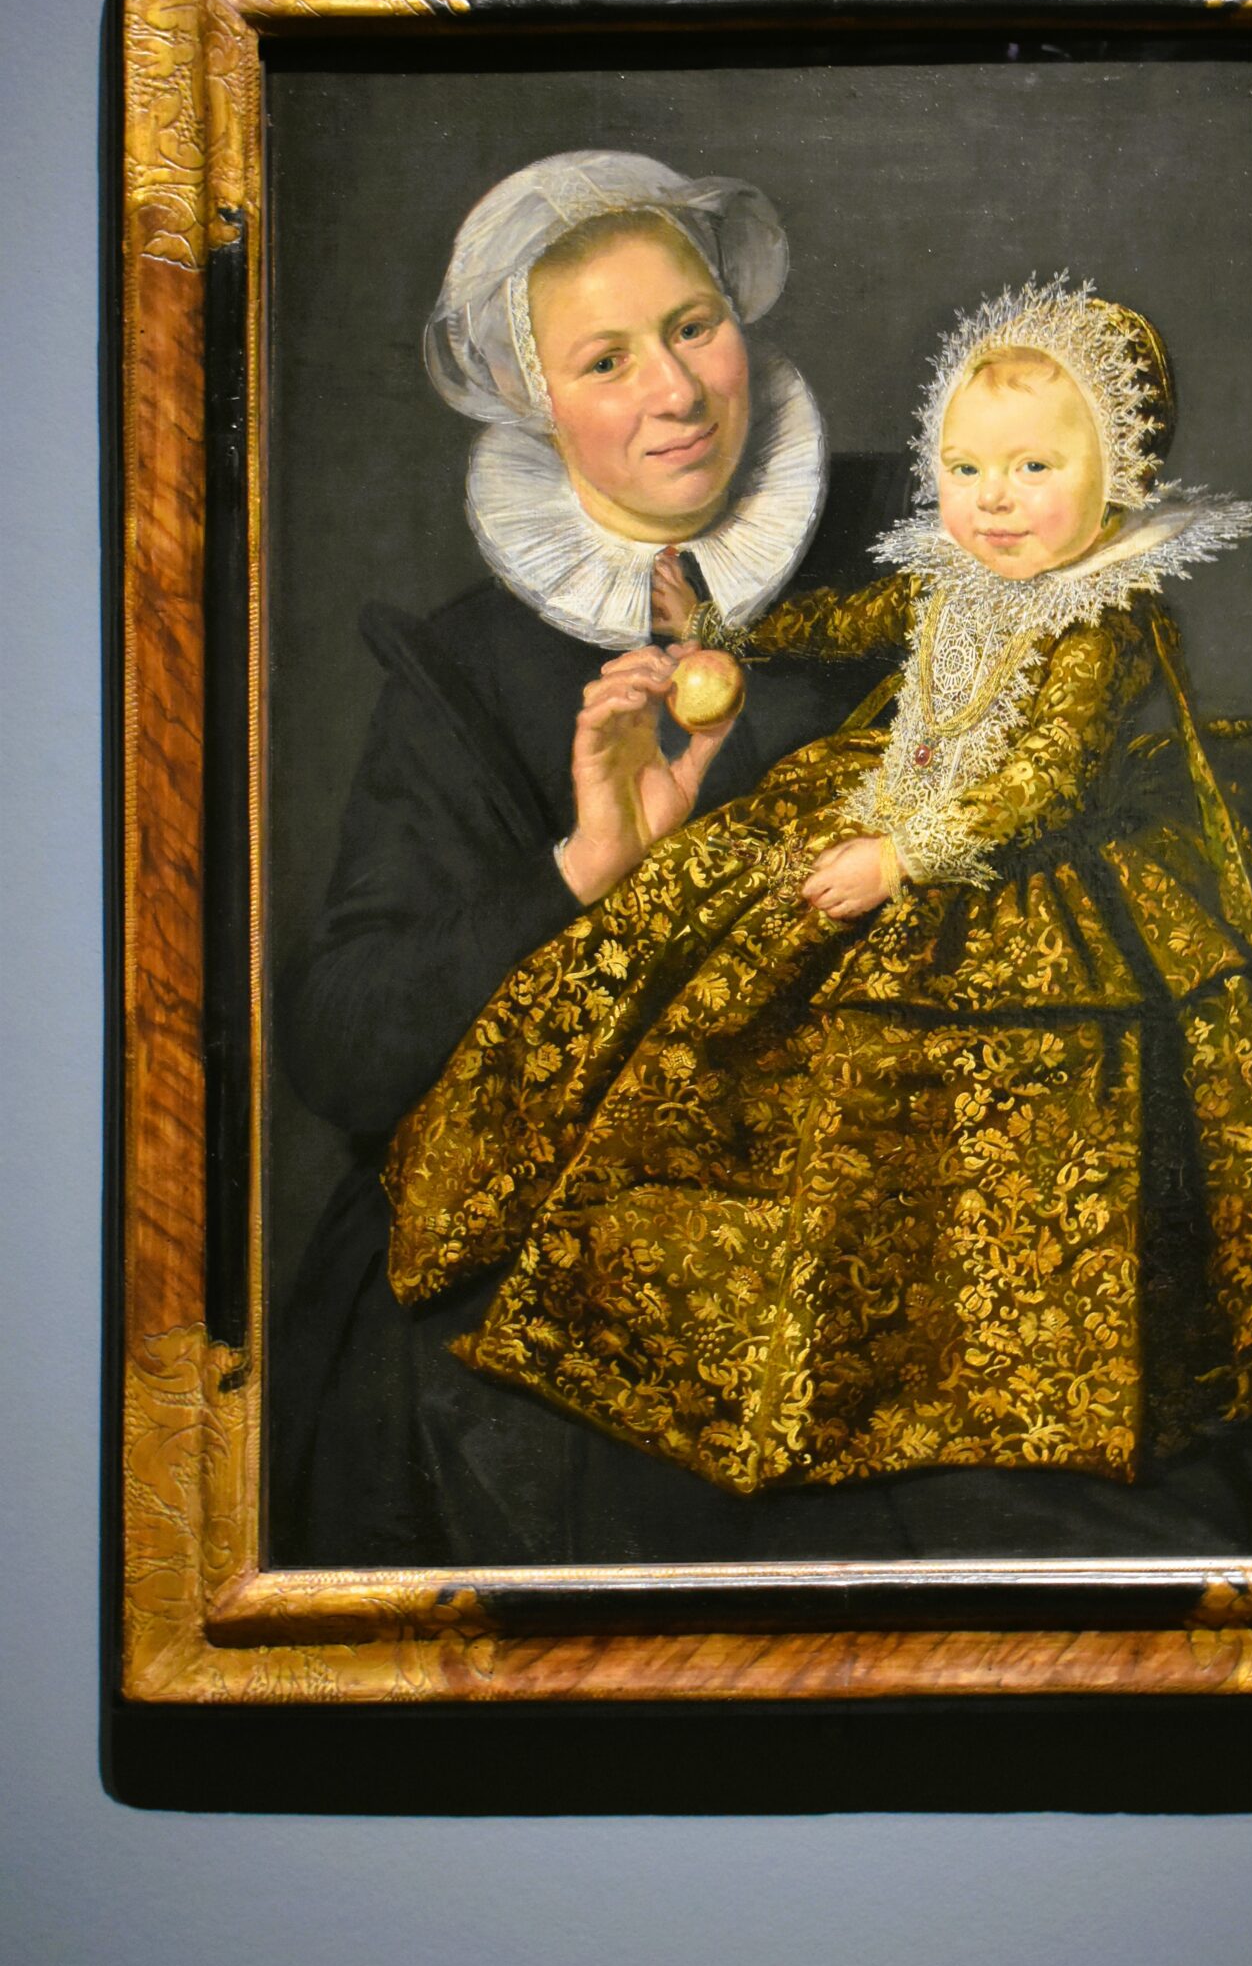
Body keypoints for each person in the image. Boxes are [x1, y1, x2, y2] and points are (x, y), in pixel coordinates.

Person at [385, 281, 1252, 1534]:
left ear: (1119, 476)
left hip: (1015, 872)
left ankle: (918, 1376)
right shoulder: (954, 573)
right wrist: (719, 627)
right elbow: (848, 623)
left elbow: (1043, 782)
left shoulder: (1101, 615)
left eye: (1034, 467)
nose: (994, 499)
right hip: (887, 802)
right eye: (968, 468)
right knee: (715, 971)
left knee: (940, 1113)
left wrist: (903, 856)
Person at [271, 151, 909, 1564]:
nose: (677, 393)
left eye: (692, 326)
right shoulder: (465, 668)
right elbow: (343, 1042)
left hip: (881, 1204)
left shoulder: (929, 537)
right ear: (530, 398)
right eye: (606, 360)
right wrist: (581, 868)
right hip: (587, 1265)